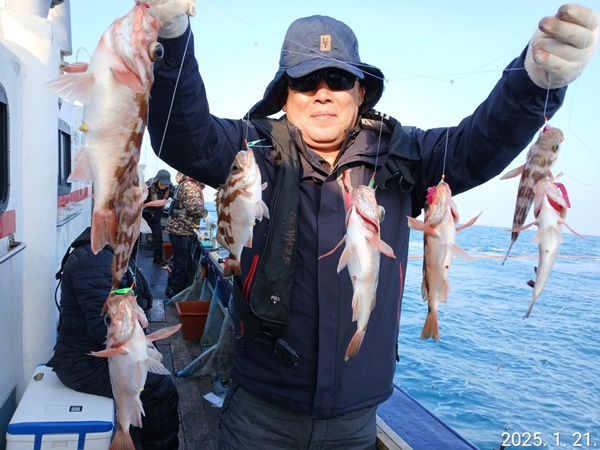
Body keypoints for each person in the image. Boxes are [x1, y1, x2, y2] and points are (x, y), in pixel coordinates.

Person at [144, 2, 598, 448]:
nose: (322, 93)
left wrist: (534, 81)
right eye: (306, 81)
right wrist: (172, 34)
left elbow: (479, 144)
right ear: (285, 94)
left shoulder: (407, 154)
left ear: (361, 92)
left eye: (338, 79)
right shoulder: (250, 150)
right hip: (259, 412)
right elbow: (180, 135)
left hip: (357, 420)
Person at [47, 227, 180, 450]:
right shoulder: (96, 260)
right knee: (160, 388)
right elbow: (102, 328)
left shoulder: (107, 251)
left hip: (93, 353)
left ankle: (136, 428)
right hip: (81, 362)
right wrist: (140, 349)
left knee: (152, 374)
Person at [165, 171, 207, 298]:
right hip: (182, 230)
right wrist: (206, 214)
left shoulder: (184, 184)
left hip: (178, 230)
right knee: (182, 263)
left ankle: (171, 287)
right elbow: (194, 208)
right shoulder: (190, 186)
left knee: (179, 261)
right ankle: (176, 293)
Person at [143, 168, 173, 266]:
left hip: (156, 216)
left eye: (166, 183)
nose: (165, 185)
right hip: (144, 216)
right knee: (135, 239)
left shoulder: (169, 188)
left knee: (158, 238)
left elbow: (177, 196)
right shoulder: (146, 186)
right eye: (163, 183)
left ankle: (158, 258)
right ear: (157, 180)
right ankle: (132, 258)